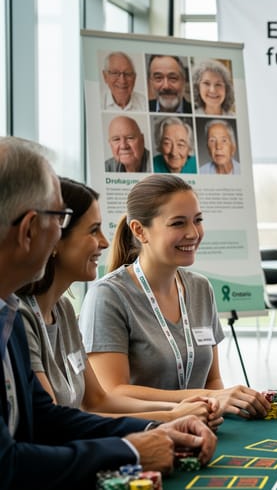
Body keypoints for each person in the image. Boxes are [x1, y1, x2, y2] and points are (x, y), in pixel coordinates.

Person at [0, 136, 216, 488]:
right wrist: (132, 450)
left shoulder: (8, 315)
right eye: (60, 218)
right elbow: (7, 464)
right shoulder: (19, 316)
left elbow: (46, 418)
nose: (104, 241)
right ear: (27, 230)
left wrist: (155, 427)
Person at [16, 177, 221, 427]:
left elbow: (97, 402)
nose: (104, 241)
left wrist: (181, 410)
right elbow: (53, 422)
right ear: (55, 238)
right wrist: (170, 417)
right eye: (93, 231)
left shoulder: (64, 309)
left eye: (198, 220)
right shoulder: (21, 316)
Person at [79, 174, 270, 420]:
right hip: (142, 438)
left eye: (198, 220)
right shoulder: (108, 295)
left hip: (200, 431)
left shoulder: (201, 288)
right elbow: (111, 393)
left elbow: (213, 380)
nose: (193, 233)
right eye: (178, 223)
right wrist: (204, 399)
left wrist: (217, 406)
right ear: (139, 230)